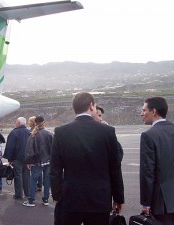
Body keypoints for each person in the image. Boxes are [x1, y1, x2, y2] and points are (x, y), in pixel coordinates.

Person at [50, 92, 124, 225]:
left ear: (74, 108)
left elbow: (55, 168)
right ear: (91, 106)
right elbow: (115, 167)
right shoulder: (108, 131)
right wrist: (118, 198)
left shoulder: (61, 132)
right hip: (99, 199)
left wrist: (57, 195)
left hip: (70, 198)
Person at [139, 97, 174, 224]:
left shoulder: (149, 135)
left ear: (153, 111)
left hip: (162, 203)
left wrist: (146, 203)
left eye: (144, 110)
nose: (141, 113)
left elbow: (148, 172)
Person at [23, 115, 53, 207]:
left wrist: (28, 162)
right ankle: (46, 200)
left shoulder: (33, 134)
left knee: (33, 180)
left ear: (35, 123)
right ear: (44, 122)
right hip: (48, 161)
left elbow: (29, 150)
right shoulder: (50, 134)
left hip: (37, 162)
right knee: (47, 181)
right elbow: (54, 149)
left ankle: (31, 201)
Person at [3, 117, 30, 200]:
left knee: (18, 175)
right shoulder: (30, 132)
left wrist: (9, 158)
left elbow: (10, 146)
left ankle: (18, 194)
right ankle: (27, 193)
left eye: (16, 122)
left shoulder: (14, 132)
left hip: (17, 158)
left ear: (18, 123)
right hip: (28, 158)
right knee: (27, 175)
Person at [28, 116, 42, 192]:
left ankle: (36, 187)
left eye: (29, 121)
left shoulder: (32, 131)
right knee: (39, 171)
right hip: (40, 154)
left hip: (34, 154)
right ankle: (39, 185)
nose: (28, 123)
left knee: (35, 171)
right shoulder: (38, 130)